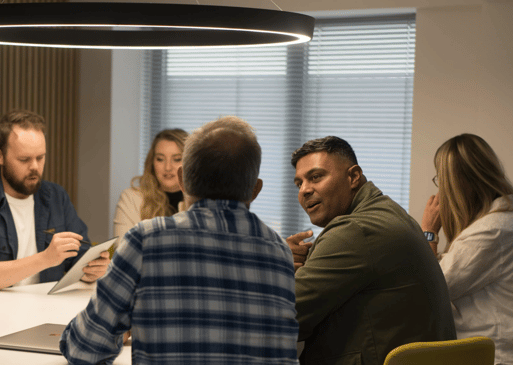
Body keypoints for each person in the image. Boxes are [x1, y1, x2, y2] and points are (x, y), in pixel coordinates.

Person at [61, 116, 299, 364]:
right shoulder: (280, 252)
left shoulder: (146, 240)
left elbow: (85, 348)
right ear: (255, 189)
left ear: (183, 179)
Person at [287, 136, 456, 365]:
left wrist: (275, 264)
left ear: (353, 177)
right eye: (299, 183)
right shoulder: (389, 213)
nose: (304, 190)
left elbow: (284, 316)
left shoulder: (355, 230)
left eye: (316, 177)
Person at [0, 110, 109, 290]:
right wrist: (45, 259)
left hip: (47, 306)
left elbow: (79, 258)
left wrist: (91, 270)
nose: (34, 167)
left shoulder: (56, 196)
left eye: (40, 158)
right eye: (24, 159)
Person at [421, 133, 513, 365]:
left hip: (495, 355)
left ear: (457, 183)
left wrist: (429, 232)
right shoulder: (502, 221)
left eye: (441, 179)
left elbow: (432, 291)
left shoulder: (490, 232)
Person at [113, 129, 188, 248]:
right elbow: (124, 252)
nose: (167, 167)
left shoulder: (205, 200)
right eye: (160, 159)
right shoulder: (131, 198)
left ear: (191, 162)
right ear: (152, 162)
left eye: (177, 159)